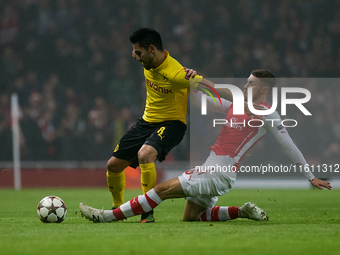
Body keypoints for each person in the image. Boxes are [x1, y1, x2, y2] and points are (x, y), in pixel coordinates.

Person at [81, 69, 332, 223]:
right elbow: (202, 102)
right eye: (246, 82)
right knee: (192, 216)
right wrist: (190, 82)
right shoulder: (235, 106)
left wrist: (310, 176)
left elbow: (288, 145)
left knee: (162, 190)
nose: (245, 86)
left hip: (220, 170)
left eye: (251, 84)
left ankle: (106, 216)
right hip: (212, 166)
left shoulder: (268, 114)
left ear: (264, 89)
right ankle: (241, 211)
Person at [106, 27, 203, 223]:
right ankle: (117, 209)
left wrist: (241, 99)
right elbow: (139, 55)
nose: (135, 57)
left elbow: (209, 87)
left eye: (138, 52)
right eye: (134, 51)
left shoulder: (176, 73)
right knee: (113, 165)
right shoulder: (148, 62)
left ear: (151, 49)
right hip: (147, 122)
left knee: (144, 154)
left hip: (172, 123)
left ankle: (146, 210)